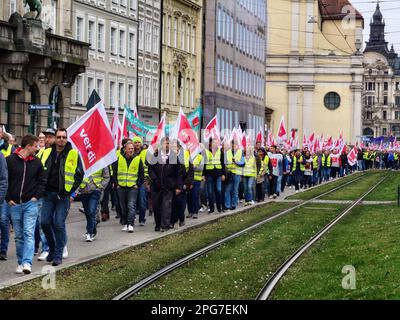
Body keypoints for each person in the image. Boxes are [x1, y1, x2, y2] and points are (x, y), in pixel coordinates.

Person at [40, 128, 83, 266]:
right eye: (59, 137)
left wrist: (71, 192)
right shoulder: (46, 152)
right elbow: (38, 170)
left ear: (67, 138)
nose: (61, 139)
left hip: (63, 196)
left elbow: (79, 174)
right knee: (45, 223)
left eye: (64, 137)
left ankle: (58, 254)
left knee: (58, 224)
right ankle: (51, 248)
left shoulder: (73, 154)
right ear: (55, 138)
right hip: (47, 194)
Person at [6, 135, 46, 274]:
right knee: (18, 235)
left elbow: (42, 181)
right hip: (14, 204)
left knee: (29, 232)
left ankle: (27, 263)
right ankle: (20, 262)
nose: (37, 148)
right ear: (28, 146)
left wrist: (36, 196)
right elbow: (5, 180)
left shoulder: (36, 162)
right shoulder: (10, 160)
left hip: (30, 203)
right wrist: (8, 198)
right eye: (35, 146)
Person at [148, 137, 184, 231]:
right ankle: (158, 224)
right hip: (156, 186)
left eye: (168, 143)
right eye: (165, 143)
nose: (167, 145)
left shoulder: (173, 156)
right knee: (156, 206)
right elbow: (150, 169)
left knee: (166, 206)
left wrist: (178, 187)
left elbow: (178, 173)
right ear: (161, 144)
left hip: (168, 186)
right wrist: (155, 179)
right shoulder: (155, 155)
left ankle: (165, 225)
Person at [113, 141, 144, 233]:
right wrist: (117, 184)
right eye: (129, 148)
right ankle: (126, 223)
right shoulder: (119, 159)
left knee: (131, 205)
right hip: (121, 187)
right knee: (123, 207)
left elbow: (141, 174)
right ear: (125, 149)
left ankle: (130, 224)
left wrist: (137, 185)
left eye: (132, 149)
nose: (131, 150)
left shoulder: (138, 159)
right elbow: (114, 173)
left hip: (132, 187)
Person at [77, 166, 110, 241]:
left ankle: (89, 233)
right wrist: (78, 188)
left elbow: (107, 176)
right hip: (84, 190)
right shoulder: (82, 159)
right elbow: (77, 174)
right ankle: (93, 230)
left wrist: (100, 187)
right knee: (88, 212)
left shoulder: (102, 161)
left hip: (95, 191)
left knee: (92, 211)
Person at [171, 141, 193, 227]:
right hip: (172, 185)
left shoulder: (186, 155)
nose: (173, 149)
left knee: (180, 203)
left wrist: (186, 184)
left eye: (174, 147)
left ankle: (181, 218)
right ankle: (172, 221)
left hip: (183, 184)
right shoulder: (168, 157)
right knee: (173, 203)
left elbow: (191, 172)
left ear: (178, 147)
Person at [204, 139, 226, 213]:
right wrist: (203, 175)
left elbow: (223, 164)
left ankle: (219, 207)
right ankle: (211, 209)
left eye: (216, 143)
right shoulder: (205, 152)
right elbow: (204, 164)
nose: (215, 144)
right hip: (209, 174)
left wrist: (223, 174)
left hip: (218, 174)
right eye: (213, 142)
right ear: (210, 143)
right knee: (210, 192)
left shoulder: (220, 152)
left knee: (219, 190)